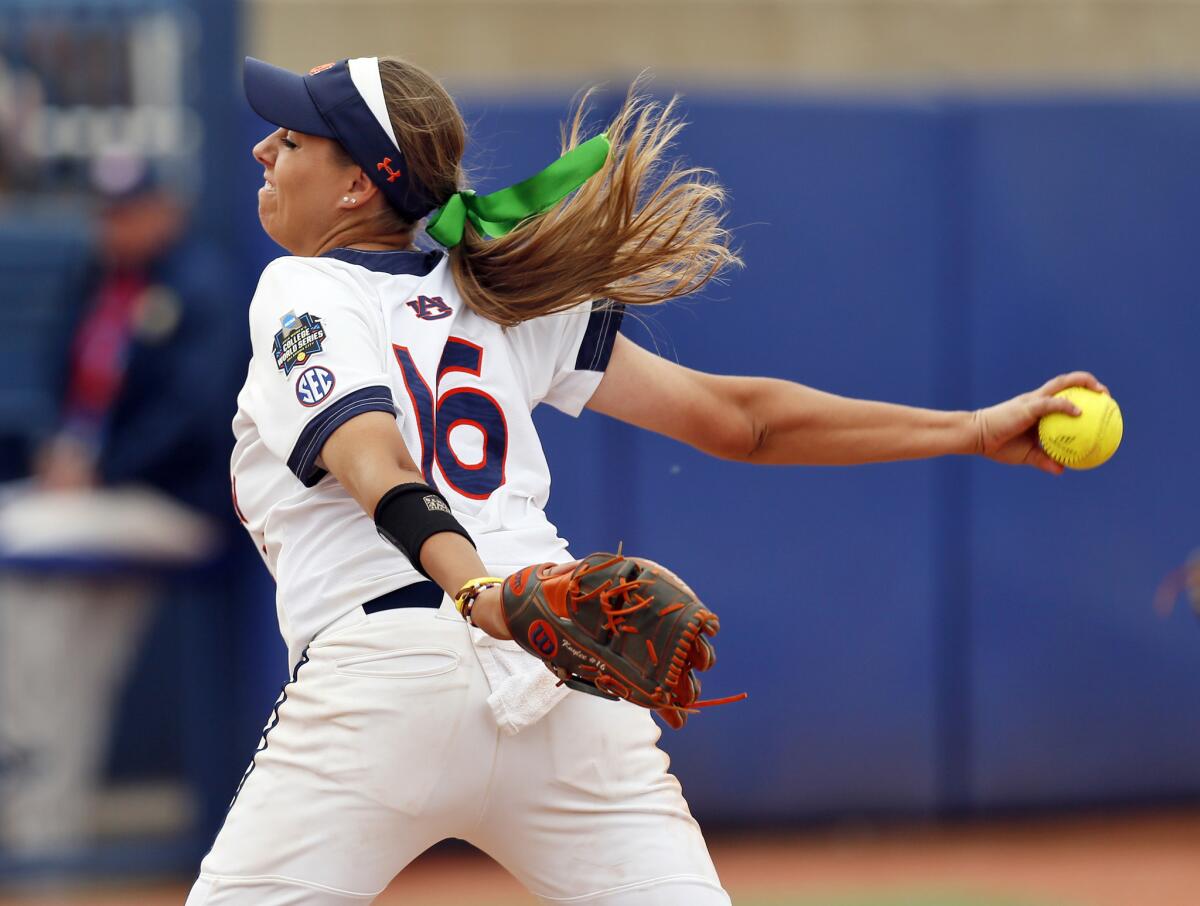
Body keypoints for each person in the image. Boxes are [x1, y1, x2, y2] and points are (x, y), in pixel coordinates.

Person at [188, 56, 1106, 905]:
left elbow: (375, 462)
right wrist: (974, 429)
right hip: (560, 671)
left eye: (293, 137)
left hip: (401, 665)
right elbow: (741, 422)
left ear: (358, 184)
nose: (266, 146)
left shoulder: (304, 290)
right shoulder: (494, 294)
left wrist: (477, 593)